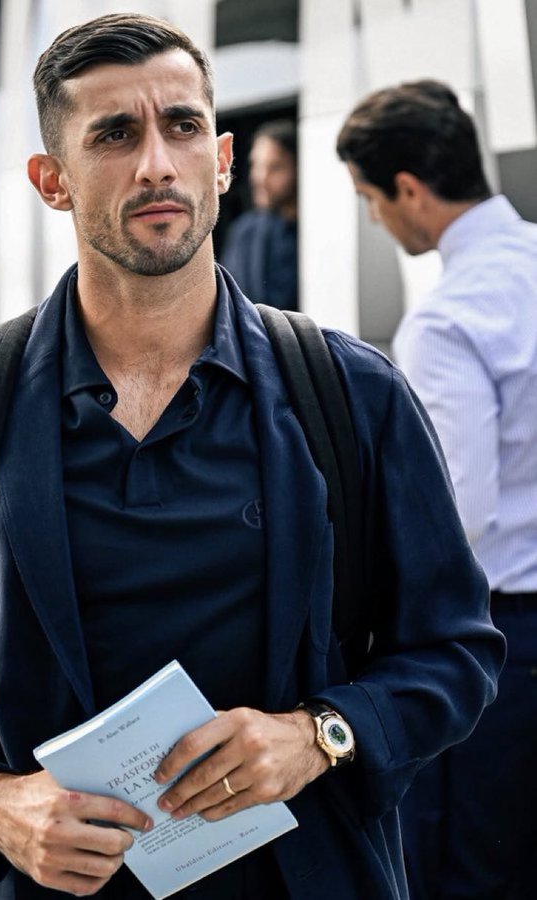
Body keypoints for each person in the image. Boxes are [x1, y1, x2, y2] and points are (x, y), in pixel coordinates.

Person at [0, 18, 504, 900]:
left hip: (306, 878)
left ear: (223, 160)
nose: (156, 162)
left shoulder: (350, 390)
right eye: (114, 135)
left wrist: (321, 735)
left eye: (183, 126)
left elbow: (455, 650)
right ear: (52, 180)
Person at [337, 79, 537, 900]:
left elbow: (455, 522)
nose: (374, 218)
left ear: (408, 191)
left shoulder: (447, 320)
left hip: (505, 644)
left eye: (367, 199)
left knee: (470, 872)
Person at [220, 119, 298, 310]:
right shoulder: (245, 231)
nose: (260, 178)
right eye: (256, 165)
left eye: (276, 167)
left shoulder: (314, 232)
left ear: (298, 168)